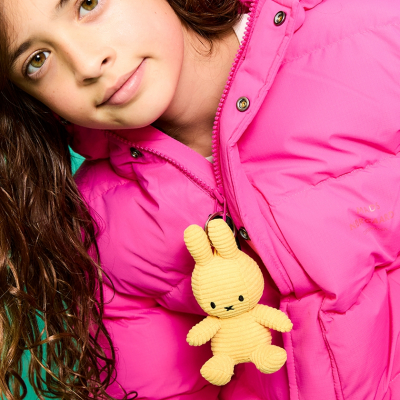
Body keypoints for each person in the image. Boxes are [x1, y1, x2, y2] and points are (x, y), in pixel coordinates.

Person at [1, 0, 400, 398]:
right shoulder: (101, 221)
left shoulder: (373, 34)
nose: (88, 64)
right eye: (38, 60)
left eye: (87, 4)